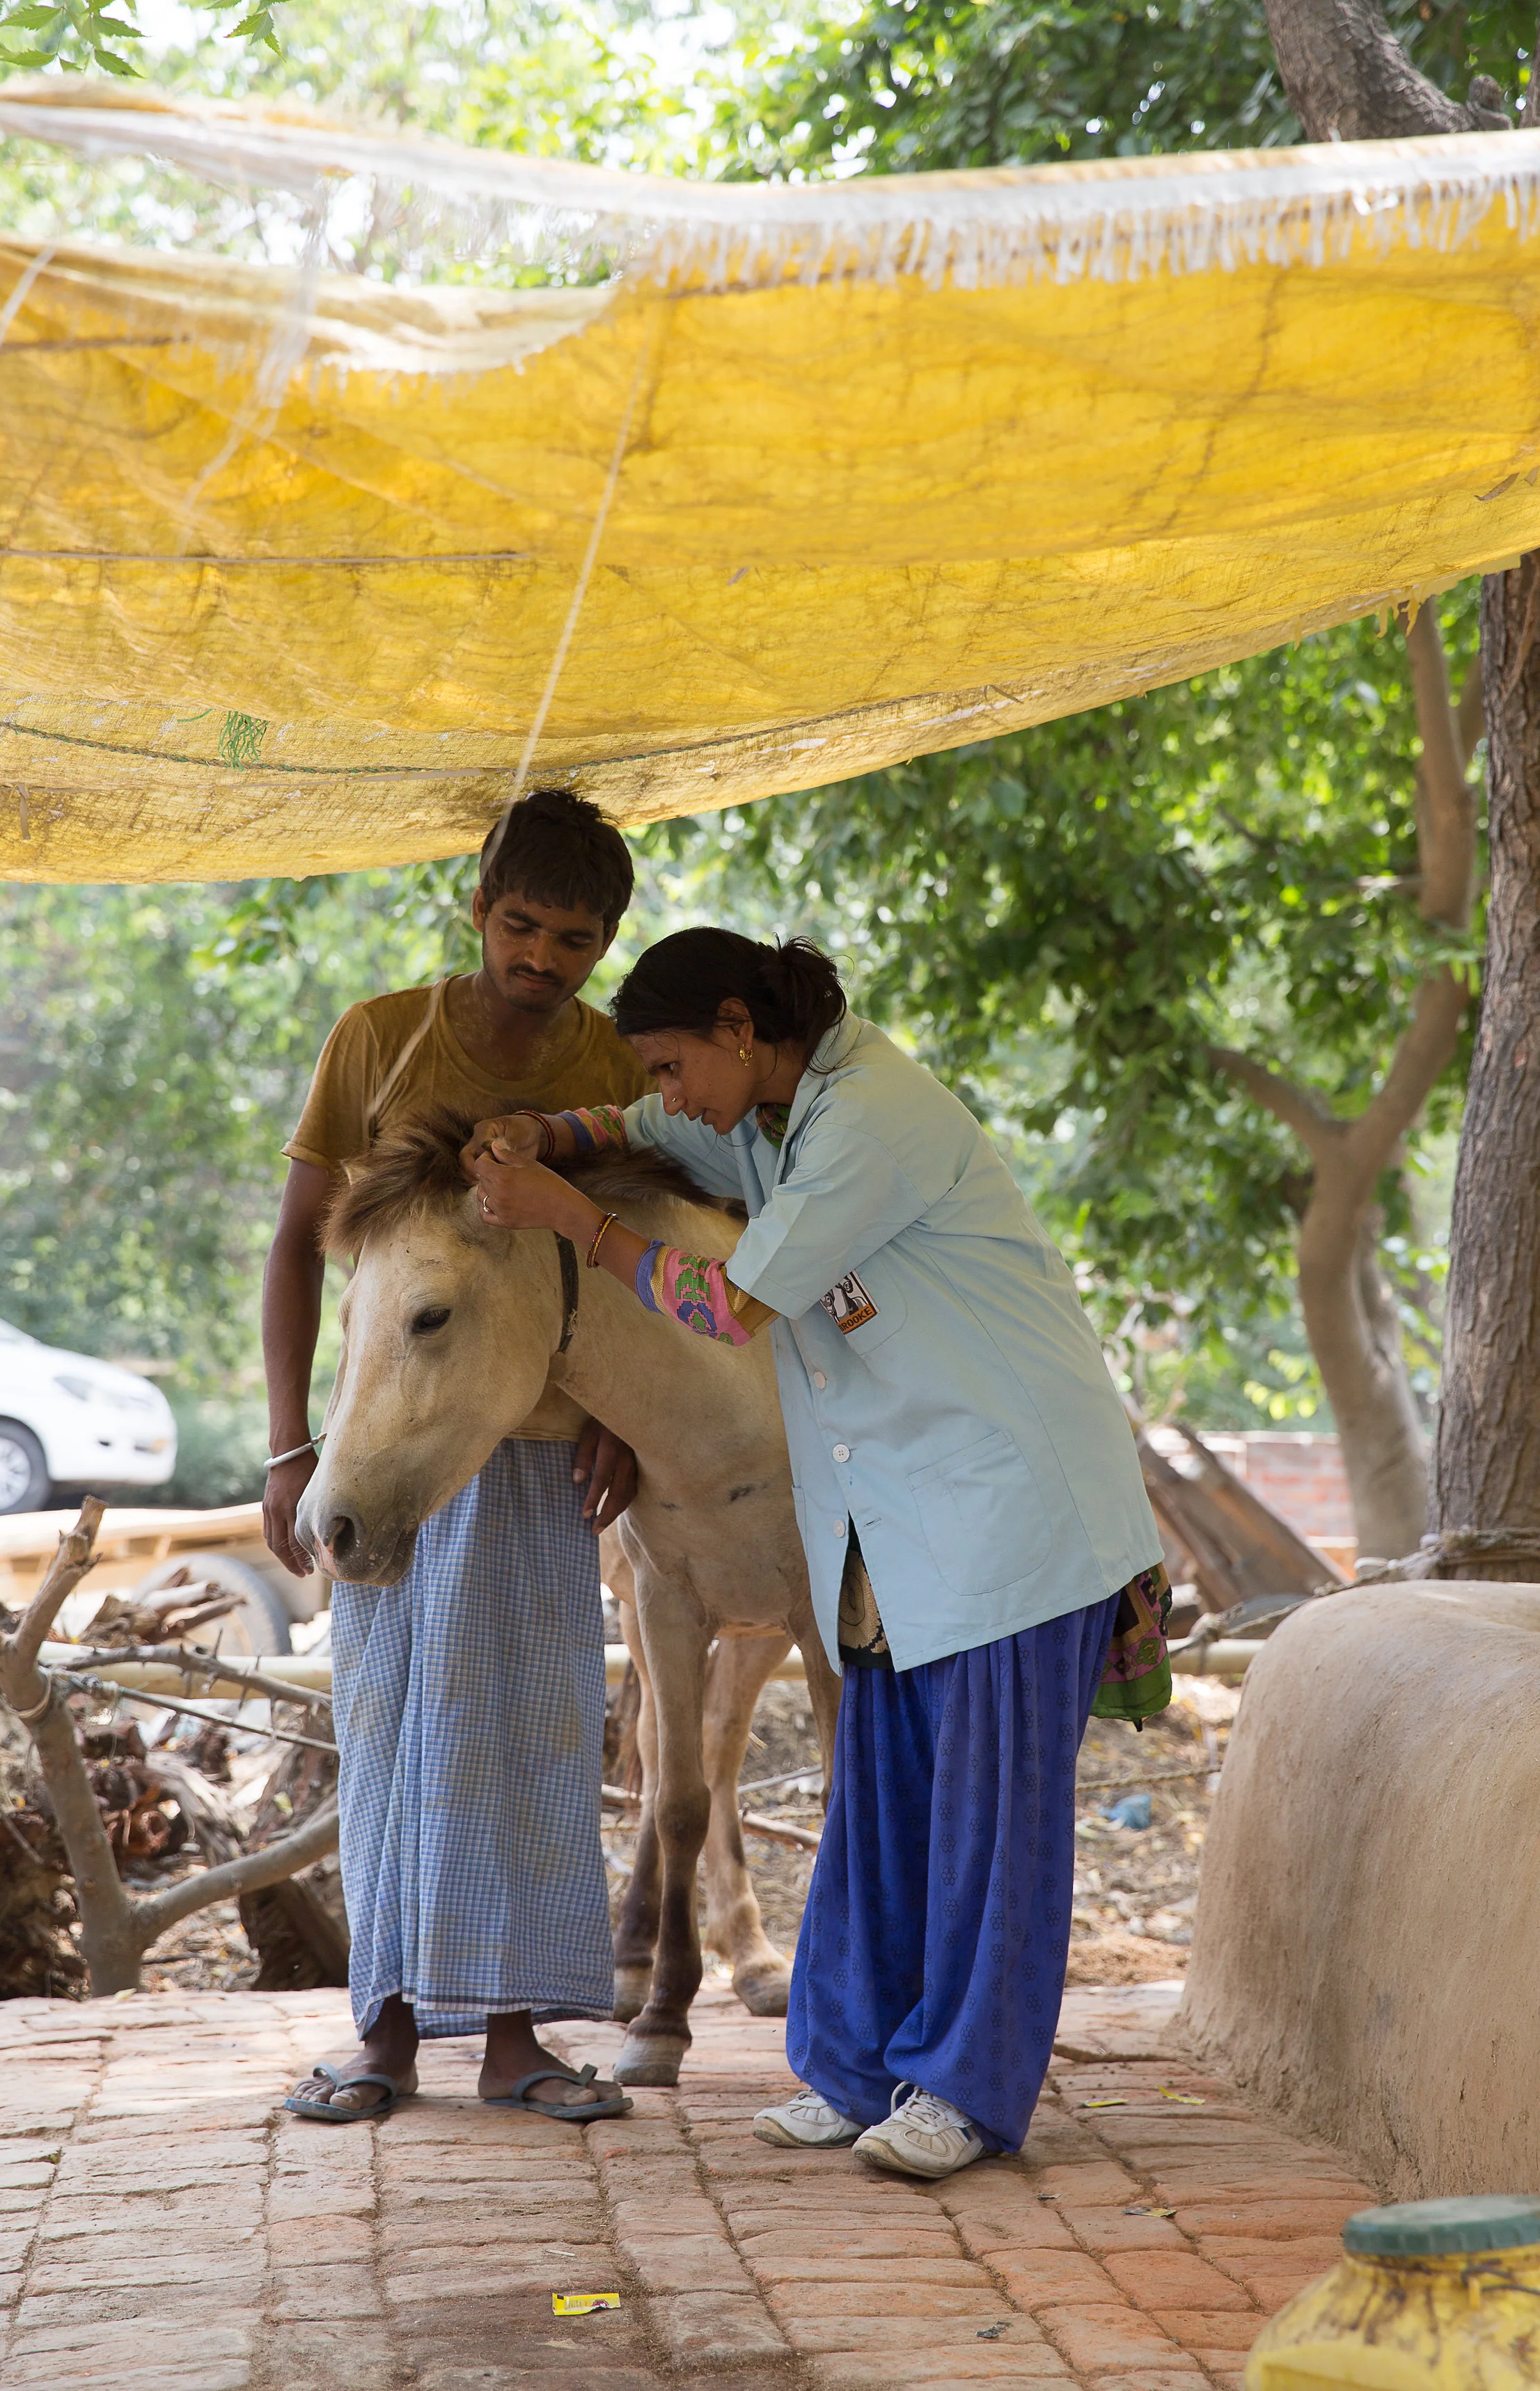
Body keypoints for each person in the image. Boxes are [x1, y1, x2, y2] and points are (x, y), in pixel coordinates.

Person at [462, 926, 1166, 2179]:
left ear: (741, 1029)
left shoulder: (868, 1119)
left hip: (1010, 1506)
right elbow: (634, 1124)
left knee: (988, 1823)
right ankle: (852, 2071)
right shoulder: (767, 1114)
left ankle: (965, 2092)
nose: (672, 1094)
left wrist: (570, 1219)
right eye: (663, 1073)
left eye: (680, 1064)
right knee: (882, 1802)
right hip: (900, 1519)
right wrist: (545, 1138)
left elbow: (726, 1304)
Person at [266, 790, 651, 2126]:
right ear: (479, 906)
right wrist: (287, 1447)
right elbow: (298, 1246)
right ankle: (379, 2036)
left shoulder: (609, 1061)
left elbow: (633, 1262)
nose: (543, 959)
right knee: (382, 1728)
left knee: (531, 1728)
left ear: (606, 945)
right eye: (523, 925)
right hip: (381, 1450)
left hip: (541, 1451)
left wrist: (623, 1415)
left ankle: (515, 2044)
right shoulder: (378, 1038)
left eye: (575, 940)